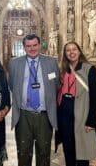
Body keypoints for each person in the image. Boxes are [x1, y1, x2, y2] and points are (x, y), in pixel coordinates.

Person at [8, 34, 60, 166]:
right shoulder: (14, 63)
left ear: (40, 45)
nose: (32, 48)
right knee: (23, 153)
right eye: (28, 46)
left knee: (44, 152)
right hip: (23, 115)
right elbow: (12, 85)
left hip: (45, 115)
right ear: (24, 47)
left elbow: (56, 85)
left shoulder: (51, 62)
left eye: (34, 45)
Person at [56, 41, 96, 166]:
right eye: (68, 50)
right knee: (68, 146)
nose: (71, 52)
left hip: (81, 111)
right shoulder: (63, 70)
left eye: (74, 49)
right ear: (65, 53)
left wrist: (92, 121)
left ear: (79, 51)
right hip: (64, 110)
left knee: (82, 148)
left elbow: (95, 97)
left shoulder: (89, 69)